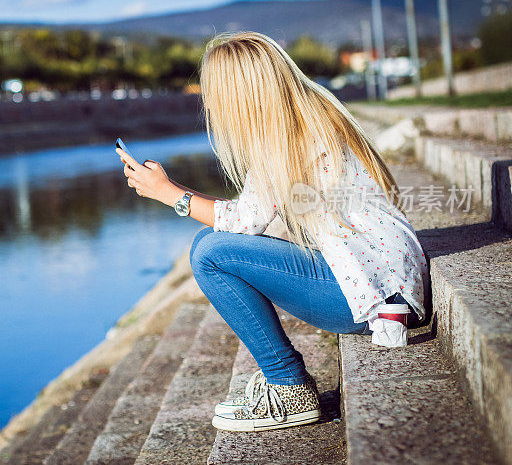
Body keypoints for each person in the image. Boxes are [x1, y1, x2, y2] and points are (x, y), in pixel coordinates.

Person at [115, 30, 428, 433]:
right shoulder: (310, 117)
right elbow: (244, 215)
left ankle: (288, 387)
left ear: (239, 94)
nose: (210, 104)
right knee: (209, 244)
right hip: (382, 280)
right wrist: (174, 190)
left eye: (214, 93)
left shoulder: (288, 138)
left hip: (368, 292)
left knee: (209, 254)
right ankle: (285, 382)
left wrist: (170, 195)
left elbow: (244, 223)